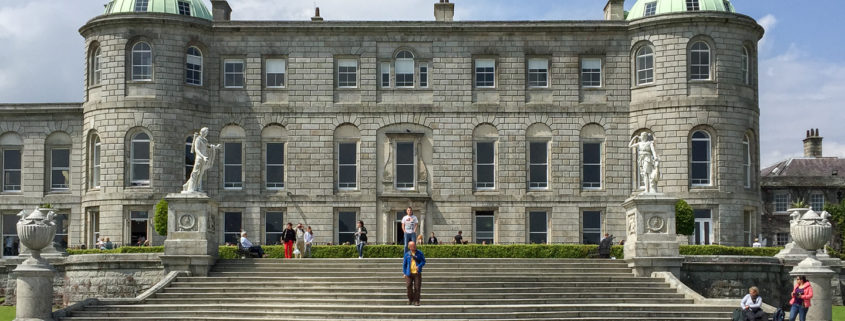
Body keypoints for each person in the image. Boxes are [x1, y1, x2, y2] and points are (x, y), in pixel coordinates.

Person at [402, 241, 426, 306]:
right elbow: (404, 264)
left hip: (417, 273)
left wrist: (419, 266)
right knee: (408, 286)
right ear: (409, 247)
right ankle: (410, 299)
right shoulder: (407, 254)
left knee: (417, 287)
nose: (414, 246)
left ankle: (417, 301)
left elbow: (423, 261)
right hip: (408, 273)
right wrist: (404, 273)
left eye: (414, 245)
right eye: (413, 246)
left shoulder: (419, 253)